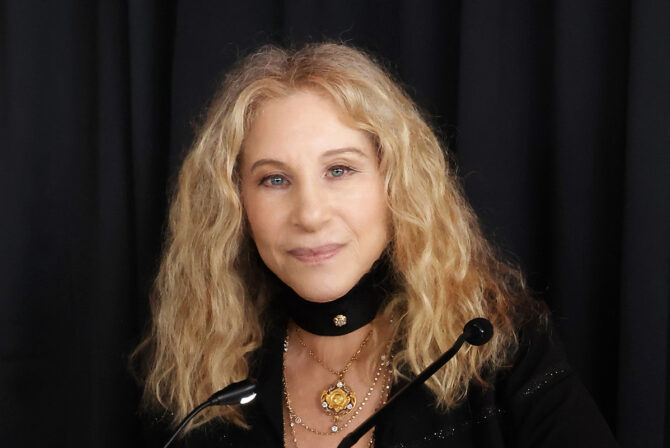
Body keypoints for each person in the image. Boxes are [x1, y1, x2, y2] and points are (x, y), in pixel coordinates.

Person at [133, 43, 618, 447]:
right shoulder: (198, 378)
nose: (311, 214)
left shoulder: (502, 352)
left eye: (339, 170)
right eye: (275, 179)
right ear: (234, 203)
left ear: (396, 183)